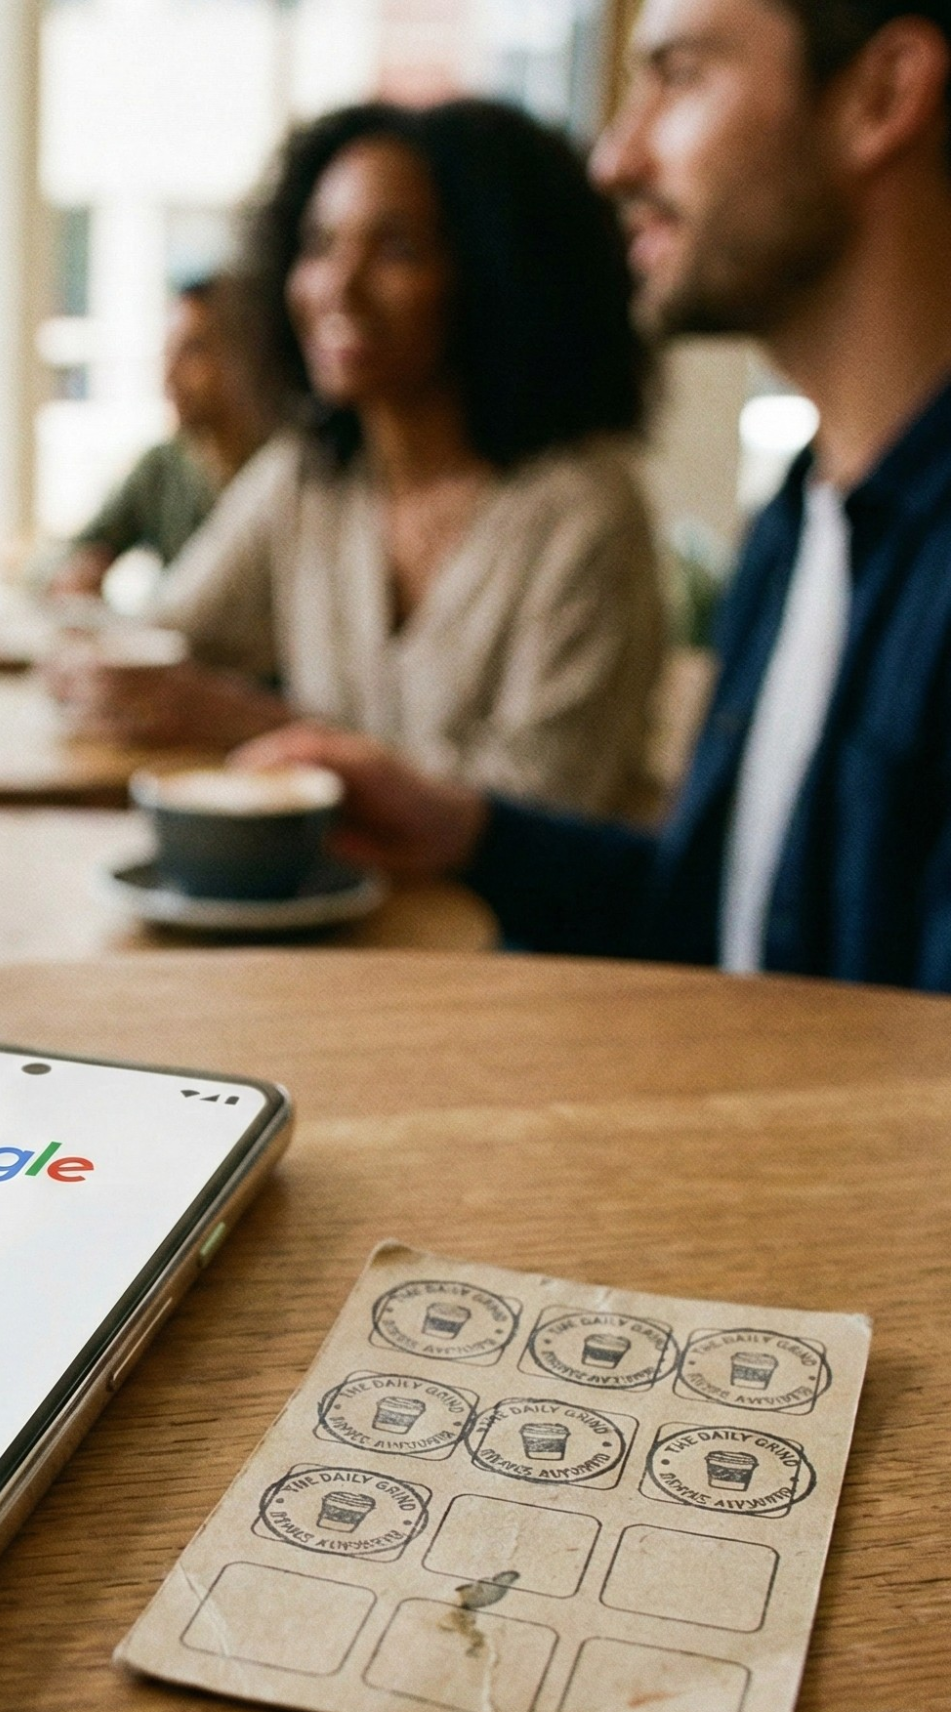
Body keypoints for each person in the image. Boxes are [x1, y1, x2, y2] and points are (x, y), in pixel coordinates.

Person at [239, 0, 951, 990]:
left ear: (880, 96)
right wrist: (465, 828)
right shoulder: (799, 523)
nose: (615, 160)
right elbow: (716, 925)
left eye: (679, 75)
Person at [58, 98, 665, 817]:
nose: (336, 287)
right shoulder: (309, 480)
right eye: (318, 245)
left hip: (511, 931)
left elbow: (545, 808)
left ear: (495, 273)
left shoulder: (583, 511)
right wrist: (101, 666)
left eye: (397, 250)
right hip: (342, 910)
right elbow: (167, 639)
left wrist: (258, 724)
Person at [49, 275, 270, 598]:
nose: (169, 375)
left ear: (246, 357)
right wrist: (77, 568)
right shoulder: (163, 467)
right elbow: (73, 552)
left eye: (193, 351)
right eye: (168, 352)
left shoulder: (285, 472)